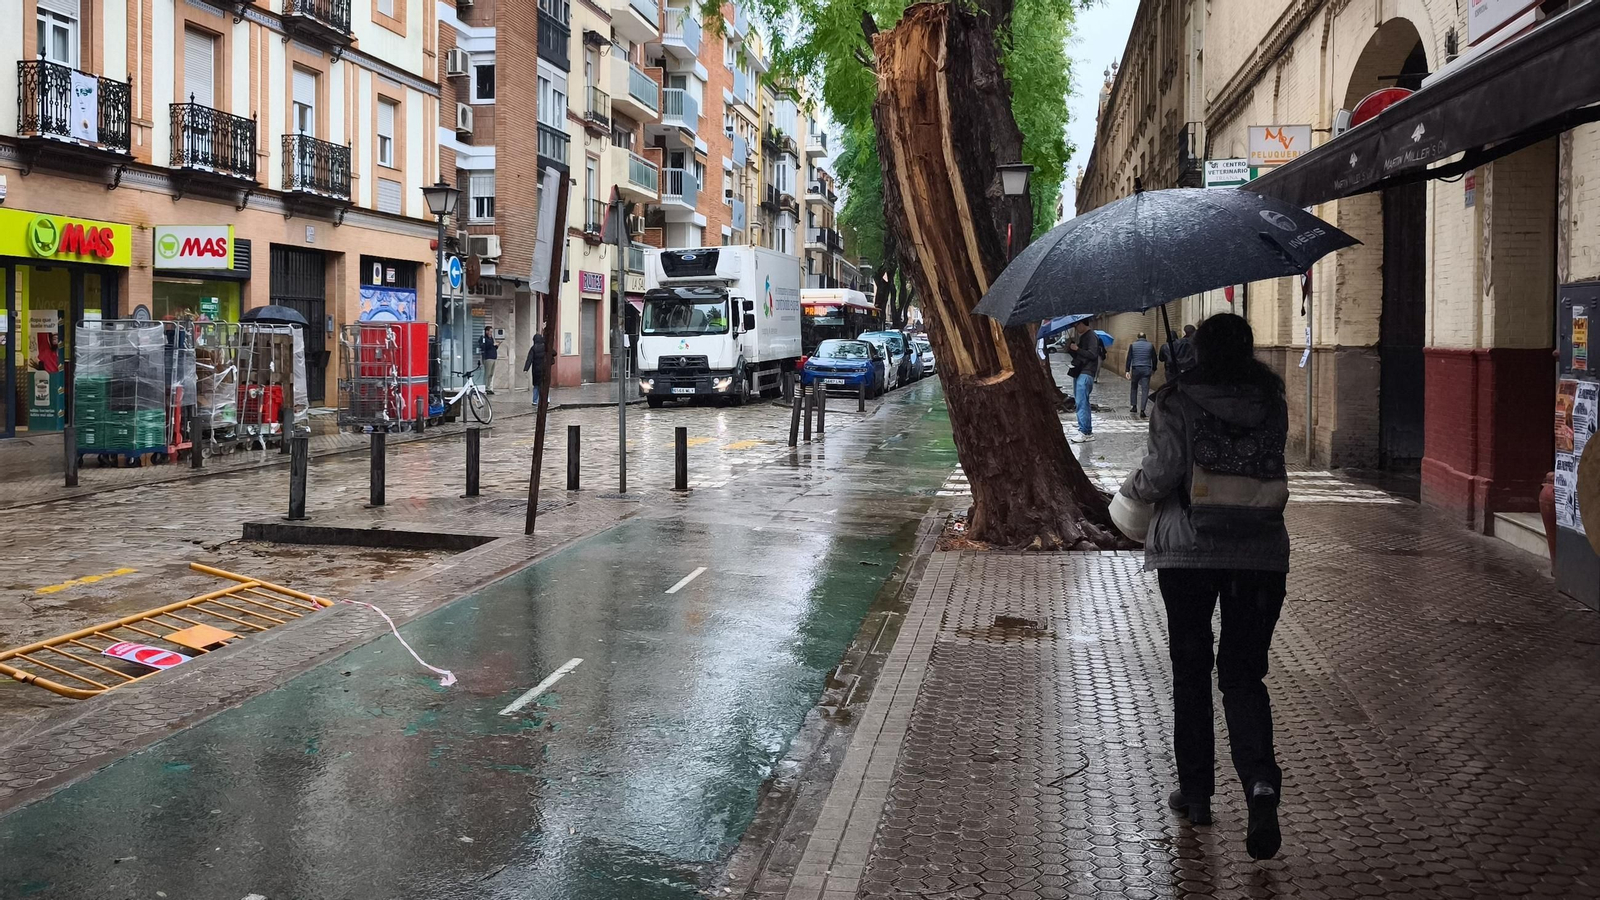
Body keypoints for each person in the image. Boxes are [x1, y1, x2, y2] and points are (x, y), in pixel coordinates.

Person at [1110, 313, 1290, 861]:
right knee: (1243, 674)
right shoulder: (1271, 401)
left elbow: (1162, 474)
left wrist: (1128, 489)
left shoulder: (1176, 399)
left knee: (1190, 670)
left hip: (1188, 552)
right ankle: (1260, 785)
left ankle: (1196, 794)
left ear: (1199, 349)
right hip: (1259, 553)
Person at [1065, 319, 1105, 442]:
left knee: (1082, 402)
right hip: (1080, 371)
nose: (1075, 328)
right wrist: (1072, 349)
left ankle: (1084, 431)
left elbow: (1093, 354)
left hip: (1086, 373)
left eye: (1076, 325)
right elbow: (1080, 356)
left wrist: (1077, 349)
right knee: (1082, 402)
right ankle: (1086, 430)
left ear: (1082, 323)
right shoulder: (1084, 337)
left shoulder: (1091, 336)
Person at [1125, 331, 1156, 417]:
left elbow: (1129, 358)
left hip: (1136, 369)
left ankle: (1134, 406)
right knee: (1145, 389)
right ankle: (1142, 410)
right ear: (1145, 338)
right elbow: (1154, 358)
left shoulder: (1133, 345)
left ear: (1137, 338)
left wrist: (1127, 370)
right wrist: (1154, 369)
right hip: (1146, 369)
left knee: (1134, 387)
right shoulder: (1150, 345)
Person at [523, 333, 547, 407]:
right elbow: (554, 353)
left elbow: (529, 359)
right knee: (544, 385)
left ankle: (535, 400)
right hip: (544, 369)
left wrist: (526, 369)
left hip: (536, 370)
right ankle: (547, 399)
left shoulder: (533, 348)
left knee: (536, 385)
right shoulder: (545, 347)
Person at [478, 326, 500, 394]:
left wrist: (496, 346)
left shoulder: (491, 338)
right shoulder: (483, 338)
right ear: (486, 331)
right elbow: (484, 347)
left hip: (493, 357)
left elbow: (492, 348)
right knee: (487, 373)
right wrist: (492, 344)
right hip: (488, 357)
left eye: (491, 332)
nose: (491, 333)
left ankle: (488, 387)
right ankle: (484, 387)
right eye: (490, 331)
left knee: (491, 374)